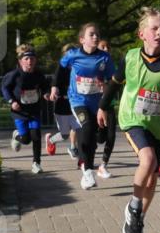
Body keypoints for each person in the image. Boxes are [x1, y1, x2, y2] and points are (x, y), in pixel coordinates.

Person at [100, 7, 160, 233]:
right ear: (142, 34)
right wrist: (102, 107)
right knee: (147, 161)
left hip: (159, 125)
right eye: (154, 28)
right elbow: (114, 84)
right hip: (133, 119)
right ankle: (134, 206)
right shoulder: (129, 58)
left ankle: (136, 224)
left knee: (152, 178)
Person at [50, 24, 115, 190]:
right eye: (91, 34)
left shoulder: (105, 58)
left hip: (97, 103)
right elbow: (61, 70)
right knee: (87, 127)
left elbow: (110, 81)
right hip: (77, 100)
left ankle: (87, 167)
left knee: (94, 139)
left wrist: (105, 104)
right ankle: (87, 172)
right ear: (82, 39)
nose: (95, 37)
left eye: (97, 34)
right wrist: (55, 86)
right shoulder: (73, 55)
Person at [1, 44, 51, 174]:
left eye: (32, 59)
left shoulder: (38, 74)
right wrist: (12, 101)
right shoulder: (14, 75)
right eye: (26, 59)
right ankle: (17, 135)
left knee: (36, 136)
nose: (30, 61)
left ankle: (36, 163)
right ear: (20, 61)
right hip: (19, 112)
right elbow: (5, 88)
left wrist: (46, 93)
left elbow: (45, 86)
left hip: (34, 110)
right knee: (26, 139)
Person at [45, 43, 80, 160]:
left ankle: (75, 150)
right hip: (62, 106)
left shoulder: (79, 67)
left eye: (74, 53)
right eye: (68, 54)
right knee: (64, 134)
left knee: (80, 128)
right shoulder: (61, 68)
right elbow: (55, 80)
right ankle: (50, 140)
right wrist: (54, 90)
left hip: (76, 104)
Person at [96, 39, 119, 179]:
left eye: (107, 47)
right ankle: (84, 159)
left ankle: (103, 165)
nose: (106, 49)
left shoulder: (112, 66)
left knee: (111, 136)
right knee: (99, 138)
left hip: (109, 105)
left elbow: (116, 82)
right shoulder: (91, 65)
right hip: (94, 105)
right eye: (102, 46)